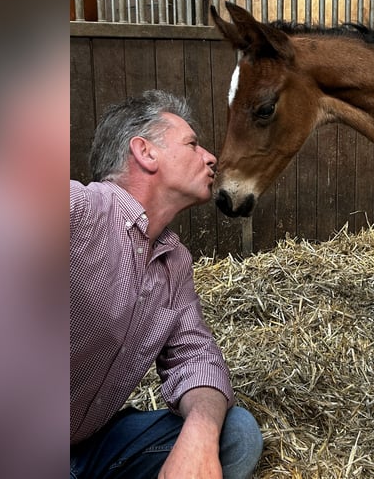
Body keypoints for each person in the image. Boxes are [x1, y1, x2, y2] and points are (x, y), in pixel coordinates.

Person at [70, 89, 263, 479]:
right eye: (193, 144)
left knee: (236, 433)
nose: (210, 157)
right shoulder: (80, 212)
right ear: (145, 153)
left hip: (87, 445)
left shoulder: (174, 263)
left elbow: (197, 360)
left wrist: (199, 436)